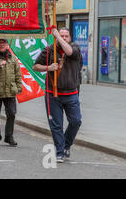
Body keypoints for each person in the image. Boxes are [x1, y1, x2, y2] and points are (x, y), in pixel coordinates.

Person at [32, 27, 82, 163]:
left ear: (70, 37)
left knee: (76, 121)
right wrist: (49, 68)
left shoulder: (75, 48)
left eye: (66, 36)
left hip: (71, 93)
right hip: (53, 94)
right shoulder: (49, 50)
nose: (64, 38)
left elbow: (69, 52)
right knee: (56, 125)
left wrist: (57, 36)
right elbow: (35, 66)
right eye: (62, 36)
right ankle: (59, 151)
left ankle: (66, 144)